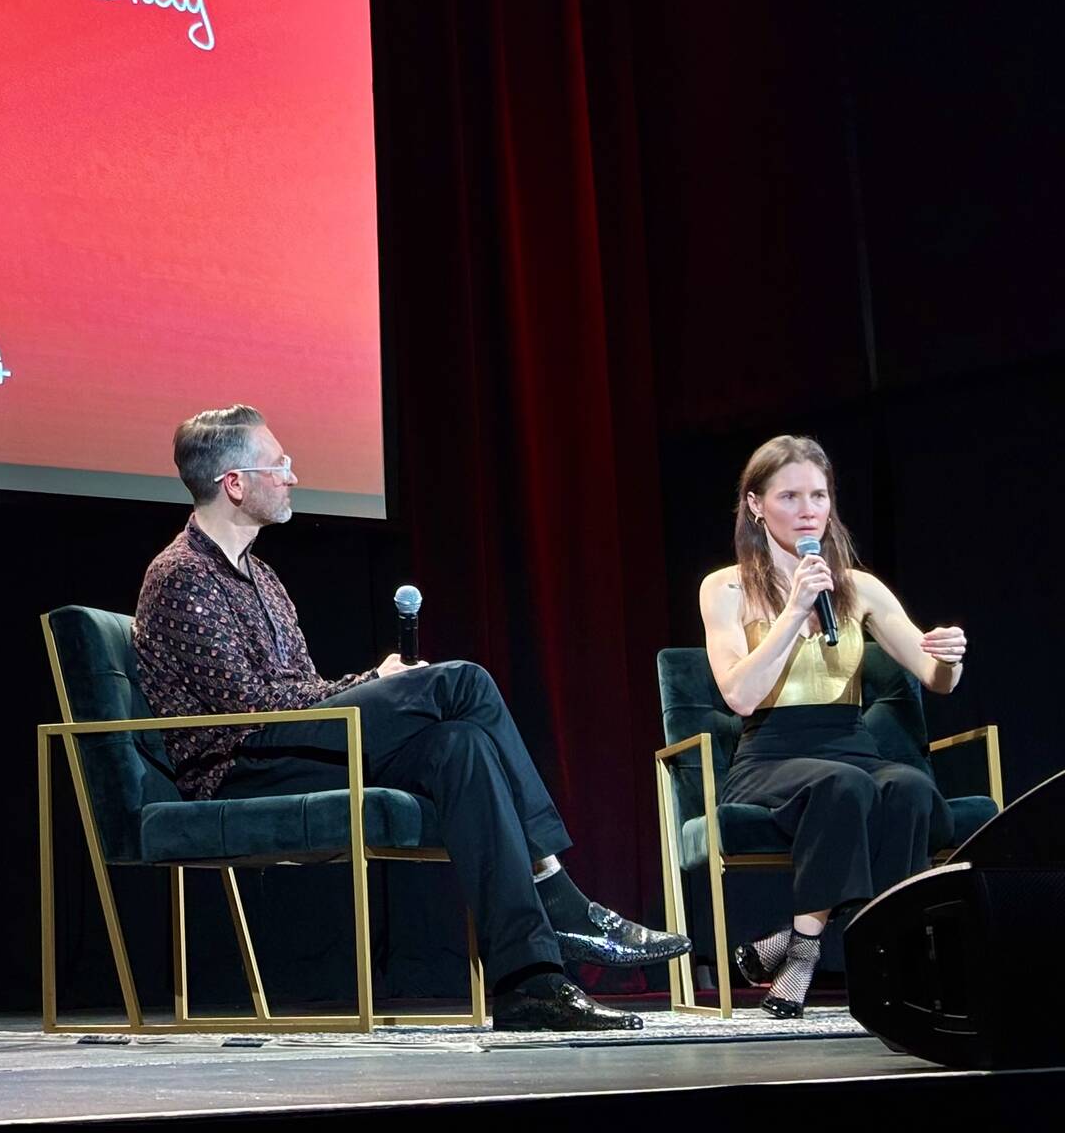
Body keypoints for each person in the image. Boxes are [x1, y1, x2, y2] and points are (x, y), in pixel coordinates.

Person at [133, 406, 690, 1032]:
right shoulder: (181, 576)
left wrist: (374, 682)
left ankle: (527, 981)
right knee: (462, 682)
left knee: (460, 748)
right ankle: (559, 890)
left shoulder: (261, 576)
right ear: (235, 483)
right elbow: (247, 708)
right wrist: (369, 694)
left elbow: (301, 686)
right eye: (279, 463)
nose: (291, 475)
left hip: (292, 739)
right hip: (243, 765)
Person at [700, 434, 967, 1017]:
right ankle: (803, 954)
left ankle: (877, 950)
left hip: (852, 745)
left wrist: (949, 659)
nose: (807, 510)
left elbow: (931, 675)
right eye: (790, 496)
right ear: (755, 505)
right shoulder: (725, 588)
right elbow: (739, 695)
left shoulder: (860, 588)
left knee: (911, 787)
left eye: (818, 495)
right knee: (841, 787)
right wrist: (794, 611)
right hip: (770, 755)